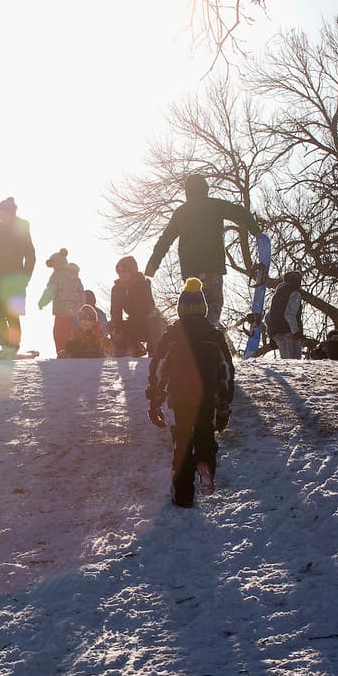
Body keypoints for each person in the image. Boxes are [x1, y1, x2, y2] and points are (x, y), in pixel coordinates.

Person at [146, 278, 235, 508]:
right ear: (203, 309)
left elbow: (158, 369)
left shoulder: (172, 335)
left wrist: (155, 400)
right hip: (206, 398)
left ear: (180, 309)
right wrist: (224, 407)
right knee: (206, 434)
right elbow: (226, 371)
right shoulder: (214, 336)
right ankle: (205, 462)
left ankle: (183, 496)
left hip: (179, 398)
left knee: (182, 442)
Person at [144, 174, 261, 326]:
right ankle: (209, 335)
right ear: (205, 189)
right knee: (213, 307)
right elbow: (240, 212)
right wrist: (256, 231)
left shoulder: (181, 213)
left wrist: (152, 266)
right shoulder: (214, 205)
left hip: (190, 274)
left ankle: (193, 340)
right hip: (212, 270)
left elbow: (164, 240)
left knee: (191, 309)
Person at [0, 196, 35, 357]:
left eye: (3, 214)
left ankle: (13, 345)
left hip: (15, 280)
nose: (1, 218)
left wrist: (25, 278)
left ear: (11, 214)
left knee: (12, 314)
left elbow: (31, 256)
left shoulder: (21, 231)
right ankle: (4, 345)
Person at [111, 256, 164, 356]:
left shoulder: (143, 284)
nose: (121, 273)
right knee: (113, 326)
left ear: (132, 271)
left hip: (145, 320)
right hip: (131, 321)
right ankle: (128, 348)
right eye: (119, 271)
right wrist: (116, 327)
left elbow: (149, 306)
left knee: (154, 320)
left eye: (125, 270)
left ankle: (154, 349)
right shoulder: (116, 289)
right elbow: (115, 311)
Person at [38, 249, 86, 357]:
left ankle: (61, 353)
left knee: (59, 333)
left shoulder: (57, 275)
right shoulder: (76, 276)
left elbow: (50, 291)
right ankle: (73, 352)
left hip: (62, 311)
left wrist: (42, 302)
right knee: (72, 333)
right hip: (76, 312)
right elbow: (82, 293)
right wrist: (82, 307)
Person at [266, 270, 305, 360]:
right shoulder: (295, 293)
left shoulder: (277, 295)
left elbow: (269, 316)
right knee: (295, 364)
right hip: (289, 332)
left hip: (277, 334)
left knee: (286, 363)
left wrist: (271, 334)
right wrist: (296, 332)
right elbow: (289, 314)